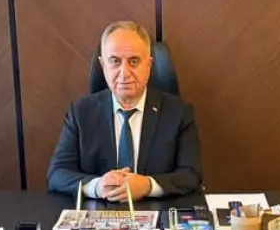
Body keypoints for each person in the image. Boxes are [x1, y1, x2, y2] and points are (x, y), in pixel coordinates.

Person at [46, 21, 202, 200]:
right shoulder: (81, 113)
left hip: (158, 211)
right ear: (103, 65)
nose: (124, 73)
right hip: (99, 211)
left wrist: (148, 186)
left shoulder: (178, 112)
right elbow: (57, 174)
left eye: (134, 61)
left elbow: (191, 174)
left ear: (149, 65)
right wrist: (97, 186)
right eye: (115, 61)